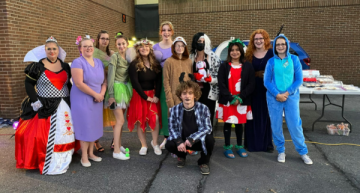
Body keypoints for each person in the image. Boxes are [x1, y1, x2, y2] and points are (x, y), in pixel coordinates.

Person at [15, 36, 77, 175]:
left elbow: (68, 85)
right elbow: (29, 84)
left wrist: (75, 100)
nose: (51, 51)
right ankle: (48, 159)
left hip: (64, 103)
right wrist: (34, 100)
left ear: (58, 50)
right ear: (45, 50)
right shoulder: (37, 66)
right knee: (40, 135)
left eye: (54, 48)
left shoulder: (65, 66)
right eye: (48, 49)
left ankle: (65, 155)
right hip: (44, 105)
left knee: (66, 131)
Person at [264, 34, 313, 165]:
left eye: (283, 44)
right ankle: (281, 151)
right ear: (275, 46)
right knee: (276, 125)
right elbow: (267, 82)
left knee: (295, 124)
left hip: (291, 97)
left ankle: (303, 152)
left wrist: (287, 93)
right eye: (278, 44)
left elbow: (299, 80)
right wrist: (277, 94)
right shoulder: (271, 62)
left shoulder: (295, 60)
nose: (280, 46)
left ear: (287, 45)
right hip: (274, 98)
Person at [71, 35, 107, 167]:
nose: (88, 48)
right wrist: (95, 95)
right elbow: (79, 83)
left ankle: (91, 153)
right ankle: (84, 156)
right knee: (85, 126)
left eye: (90, 46)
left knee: (94, 126)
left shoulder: (99, 62)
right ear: (80, 48)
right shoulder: (78, 62)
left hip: (97, 99)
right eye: (85, 46)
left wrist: (101, 94)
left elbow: (104, 81)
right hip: (82, 99)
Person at [165, 80, 215, 175]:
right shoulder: (174, 109)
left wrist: (193, 138)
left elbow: (207, 127)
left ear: (195, 95)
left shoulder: (203, 108)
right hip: (183, 141)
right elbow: (172, 128)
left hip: (197, 140)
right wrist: (179, 141)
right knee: (169, 144)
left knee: (210, 139)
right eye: (184, 93)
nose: (187, 96)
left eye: (190, 93)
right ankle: (182, 155)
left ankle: (203, 162)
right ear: (180, 95)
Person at [216, 39, 255, 159]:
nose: (234, 52)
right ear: (229, 52)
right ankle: (227, 146)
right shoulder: (224, 66)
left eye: (237, 50)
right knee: (227, 123)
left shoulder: (247, 66)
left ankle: (239, 145)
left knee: (239, 124)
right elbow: (221, 83)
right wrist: (230, 98)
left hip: (242, 100)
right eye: (232, 50)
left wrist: (240, 97)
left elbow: (251, 84)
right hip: (228, 100)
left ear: (241, 51)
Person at [127, 38, 162, 156]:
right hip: (139, 95)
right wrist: (145, 97)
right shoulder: (134, 64)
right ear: (138, 49)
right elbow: (135, 83)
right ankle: (143, 145)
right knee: (140, 121)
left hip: (152, 95)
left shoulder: (155, 64)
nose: (144, 48)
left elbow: (159, 81)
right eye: (141, 47)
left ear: (150, 48)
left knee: (155, 119)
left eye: (146, 46)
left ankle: (155, 143)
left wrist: (156, 95)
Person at [244, 29, 275, 152]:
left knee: (267, 116)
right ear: (253, 41)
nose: (258, 41)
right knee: (251, 116)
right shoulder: (249, 54)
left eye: (261, 38)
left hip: (267, 89)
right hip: (253, 88)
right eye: (256, 39)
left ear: (265, 40)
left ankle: (267, 144)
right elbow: (245, 71)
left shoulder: (272, 53)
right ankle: (250, 143)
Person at [105, 32, 132, 160]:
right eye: (118, 44)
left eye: (123, 44)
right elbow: (110, 77)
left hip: (125, 89)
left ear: (127, 44)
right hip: (116, 90)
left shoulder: (128, 56)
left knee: (120, 121)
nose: (121, 46)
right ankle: (116, 150)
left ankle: (119, 144)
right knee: (119, 121)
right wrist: (111, 95)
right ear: (116, 45)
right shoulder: (114, 57)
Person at [190, 32, 221, 128]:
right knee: (194, 116)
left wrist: (211, 79)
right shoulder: (191, 57)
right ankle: (196, 140)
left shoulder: (213, 57)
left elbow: (220, 77)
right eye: (199, 41)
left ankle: (208, 139)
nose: (201, 43)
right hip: (194, 92)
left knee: (208, 116)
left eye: (203, 42)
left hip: (209, 92)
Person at [153, 21, 174, 149]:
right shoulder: (155, 47)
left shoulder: (176, 45)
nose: (166, 33)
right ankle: (166, 137)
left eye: (168, 30)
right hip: (160, 80)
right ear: (160, 32)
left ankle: (176, 136)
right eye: (164, 30)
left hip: (174, 79)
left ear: (172, 32)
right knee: (164, 109)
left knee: (175, 108)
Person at [94, 30, 116, 152]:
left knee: (114, 115)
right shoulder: (92, 53)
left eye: (107, 39)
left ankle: (115, 140)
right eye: (103, 38)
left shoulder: (112, 54)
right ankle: (96, 142)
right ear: (98, 39)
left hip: (110, 88)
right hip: (96, 87)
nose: (105, 41)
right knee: (97, 116)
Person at [163, 36, 192, 114]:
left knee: (187, 123)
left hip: (188, 98)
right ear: (174, 47)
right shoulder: (168, 62)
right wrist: (169, 99)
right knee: (175, 123)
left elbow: (192, 81)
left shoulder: (189, 62)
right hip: (174, 98)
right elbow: (166, 82)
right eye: (177, 45)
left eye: (182, 45)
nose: (180, 48)